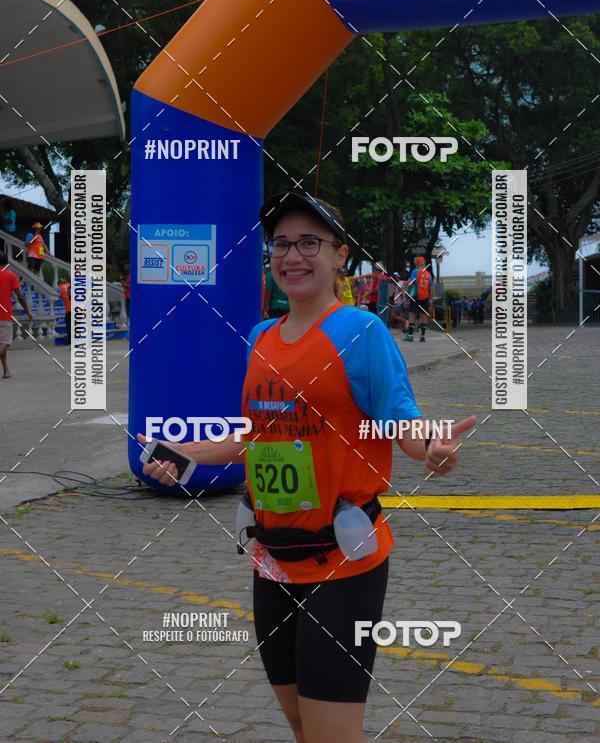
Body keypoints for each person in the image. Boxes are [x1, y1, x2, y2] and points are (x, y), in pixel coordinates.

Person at [139, 191, 476, 743]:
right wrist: (188, 454)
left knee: (332, 733)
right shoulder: (261, 337)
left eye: (309, 243)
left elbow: (402, 425)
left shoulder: (360, 333)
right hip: (272, 561)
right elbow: (259, 437)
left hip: (343, 563)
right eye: (281, 244)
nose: (292, 256)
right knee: (300, 722)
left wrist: (433, 448)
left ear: (341, 255)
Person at [0, 252, 33, 377]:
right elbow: (20, 296)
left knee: (1, 343)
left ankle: (6, 371)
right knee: (6, 342)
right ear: (6, 263)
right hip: (4, 315)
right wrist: (27, 311)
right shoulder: (11, 275)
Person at [404, 255, 433, 343]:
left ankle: (410, 336)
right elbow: (431, 288)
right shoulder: (428, 274)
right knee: (423, 316)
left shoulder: (415, 271)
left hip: (415, 296)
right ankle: (423, 336)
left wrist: (408, 292)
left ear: (417, 263)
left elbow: (410, 284)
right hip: (425, 297)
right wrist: (431, 299)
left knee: (412, 314)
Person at [58, 278, 72, 346]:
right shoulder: (69, 286)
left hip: (69, 310)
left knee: (69, 327)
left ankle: (70, 342)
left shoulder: (61, 288)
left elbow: (59, 296)